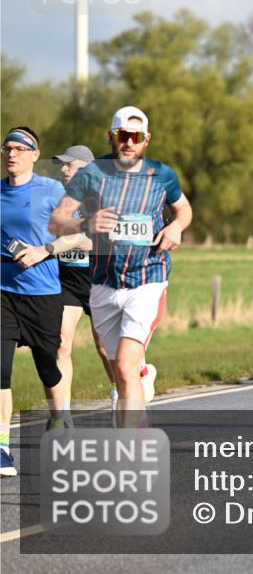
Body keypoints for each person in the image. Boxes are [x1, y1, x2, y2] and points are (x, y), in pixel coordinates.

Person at [49, 107, 192, 427]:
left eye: (136, 137)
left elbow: (183, 210)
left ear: (146, 139)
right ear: (111, 137)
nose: (129, 143)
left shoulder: (162, 175)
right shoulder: (92, 174)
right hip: (103, 283)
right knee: (121, 366)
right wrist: (86, 222)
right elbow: (57, 221)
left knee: (125, 366)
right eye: (122, 136)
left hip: (147, 279)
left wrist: (176, 228)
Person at [2, 127, 88, 476]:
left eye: (21, 149)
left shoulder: (52, 191)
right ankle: (2, 448)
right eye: (7, 147)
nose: (12, 153)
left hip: (42, 292)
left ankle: (59, 420)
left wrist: (43, 251)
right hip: (4, 290)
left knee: (49, 367)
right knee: (1, 371)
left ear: (35, 155)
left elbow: (83, 236)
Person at [50, 145, 135, 414]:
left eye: (69, 164)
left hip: (99, 278)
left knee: (103, 345)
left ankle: (117, 389)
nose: (63, 169)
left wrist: (63, 242)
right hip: (68, 281)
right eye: (61, 165)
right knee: (62, 344)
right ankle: (62, 416)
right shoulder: (59, 200)